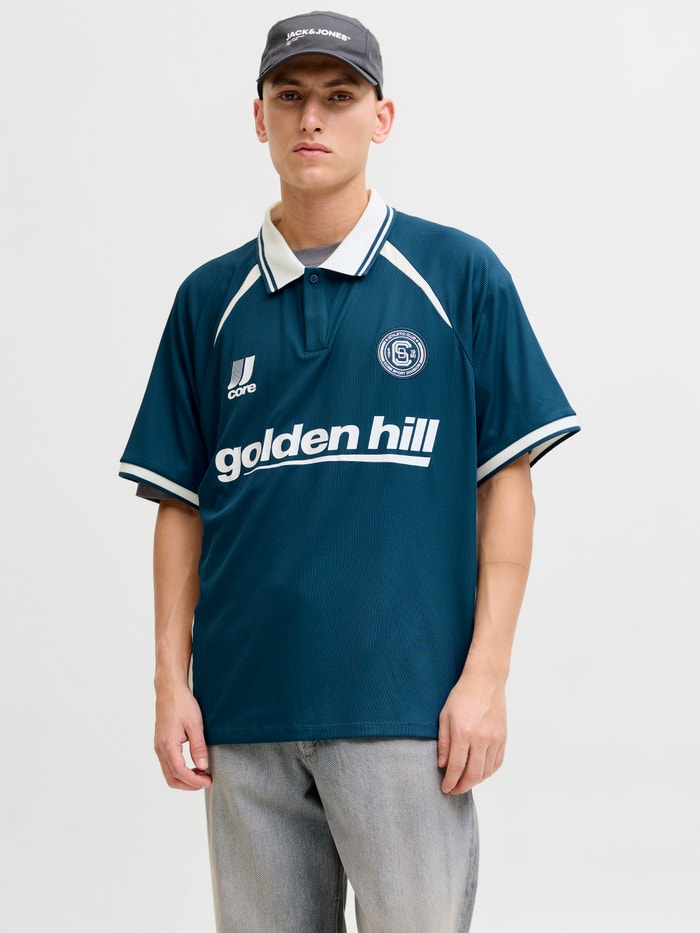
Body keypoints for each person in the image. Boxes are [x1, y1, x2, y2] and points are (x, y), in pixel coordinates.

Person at [119, 11, 579, 932]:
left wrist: (486, 676)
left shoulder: (457, 276)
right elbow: (180, 503)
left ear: (383, 116)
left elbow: (507, 481)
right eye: (289, 97)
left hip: (405, 710)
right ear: (259, 117)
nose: (312, 119)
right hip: (245, 714)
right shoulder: (209, 301)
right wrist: (172, 682)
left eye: (339, 96)